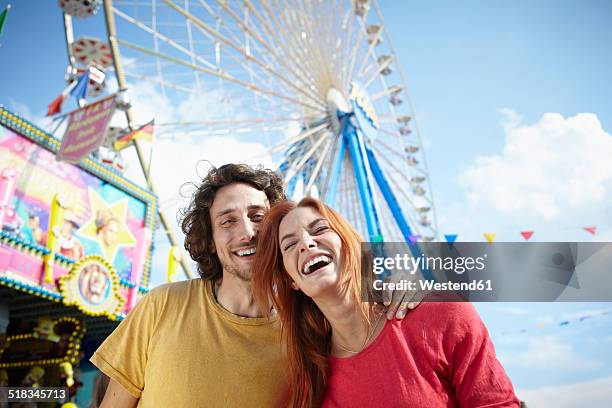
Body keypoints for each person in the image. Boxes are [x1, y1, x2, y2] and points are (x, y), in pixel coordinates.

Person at [91, 163, 417, 407]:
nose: (247, 232)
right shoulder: (162, 305)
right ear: (211, 239)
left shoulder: (307, 333)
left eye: (258, 216)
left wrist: (405, 286)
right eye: (227, 221)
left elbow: (362, 325)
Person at [252, 197, 520, 407]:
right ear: (291, 281)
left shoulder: (442, 315)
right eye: (289, 245)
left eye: (320, 229)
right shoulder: (311, 376)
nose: (307, 244)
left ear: (351, 244)